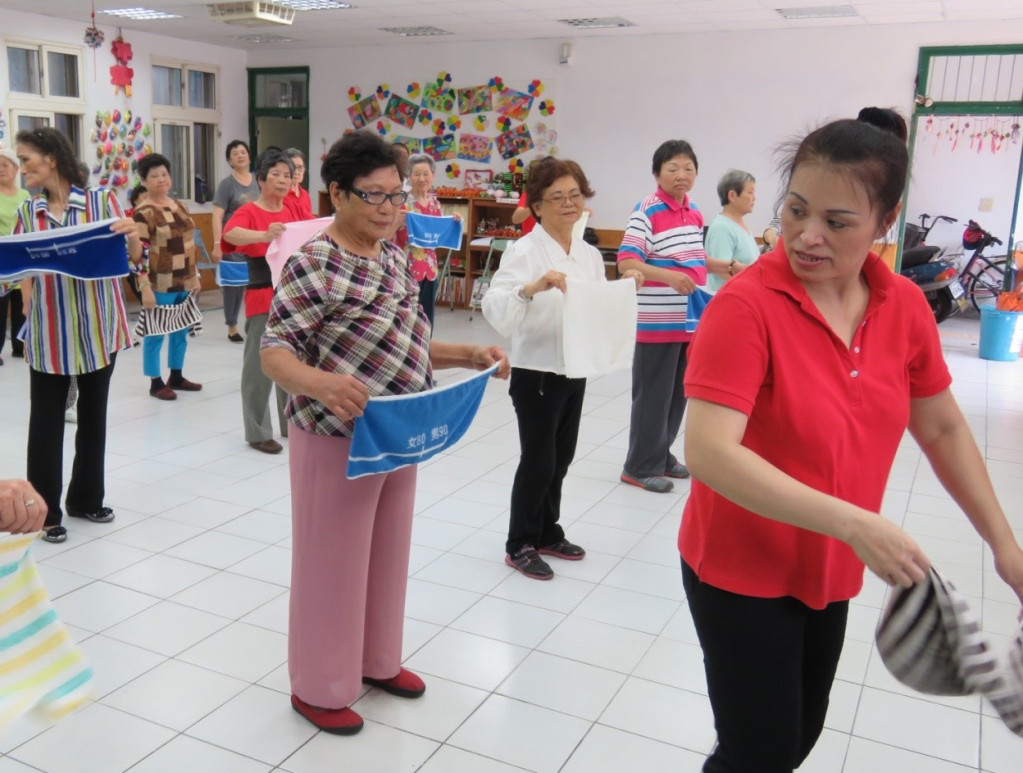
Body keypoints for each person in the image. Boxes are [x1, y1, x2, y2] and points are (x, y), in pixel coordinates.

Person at [679, 117, 1023, 773]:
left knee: (798, 736)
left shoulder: (902, 306)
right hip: (739, 565)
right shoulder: (747, 306)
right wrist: (854, 522)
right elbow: (709, 451)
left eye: (836, 222)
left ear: (885, 222)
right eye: (796, 209)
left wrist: (1004, 547)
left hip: (831, 562)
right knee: (760, 753)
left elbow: (942, 427)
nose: (807, 235)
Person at [260, 130, 509, 735]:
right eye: (373, 196)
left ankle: (375, 661)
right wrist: (319, 384)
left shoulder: (396, 257)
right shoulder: (313, 262)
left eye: (395, 196)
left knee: (387, 553)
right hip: (334, 435)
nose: (387, 208)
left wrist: (463, 354)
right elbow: (275, 352)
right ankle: (318, 684)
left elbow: (412, 341)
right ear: (337, 194)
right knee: (332, 561)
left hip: (398, 428)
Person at [483, 158, 643, 580]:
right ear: (537, 206)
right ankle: (519, 542)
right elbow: (494, 306)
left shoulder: (587, 253)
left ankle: (547, 530)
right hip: (537, 369)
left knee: (563, 457)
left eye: (575, 195)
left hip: (575, 367)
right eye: (557, 197)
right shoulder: (525, 251)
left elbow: (593, 304)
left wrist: (625, 289)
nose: (569, 203)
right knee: (539, 459)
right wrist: (531, 288)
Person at [13, 127, 140, 543]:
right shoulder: (27, 214)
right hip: (50, 331)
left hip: (99, 328)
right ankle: (44, 512)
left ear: (51, 159)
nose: (21, 168)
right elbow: (16, 269)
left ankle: (86, 498)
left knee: (93, 416)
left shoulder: (102, 202)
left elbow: (132, 258)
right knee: (45, 423)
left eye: (27, 159)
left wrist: (134, 236)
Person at [617, 140, 707, 493]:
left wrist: (728, 267)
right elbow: (627, 261)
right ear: (657, 174)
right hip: (656, 320)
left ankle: (661, 453)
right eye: (672, 168)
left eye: (688, 168)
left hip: (688, 321)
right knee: (653, 393)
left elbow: (693, 260)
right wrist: (670, 278)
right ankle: (638, 466)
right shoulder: (647, 210)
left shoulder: (695, 211)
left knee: (676, 393)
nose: (681, 175)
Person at [222, 149, 295, 454]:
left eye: (287, 175)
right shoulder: (250, 209)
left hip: (291, 295)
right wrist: (264, 235)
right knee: (258, 366)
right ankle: (257, 431)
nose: (282, 180)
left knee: (292, 361)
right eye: (275, 174)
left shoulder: (293, 208)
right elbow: (231, 234)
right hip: (263, 293)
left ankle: (290, 422)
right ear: (261, 179)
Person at [131, 153, 203, 400]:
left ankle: (177, 375)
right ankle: (155, 382)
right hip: (159, 282)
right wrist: (144, 287)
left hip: (184, 279)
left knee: (180, 330)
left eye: (164, 174)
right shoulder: (143, 212)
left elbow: (189, 243)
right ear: (144, 180)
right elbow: (137, 254)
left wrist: (195, 277)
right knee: (155, 332)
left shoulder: (178, 205)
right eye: (154, 176)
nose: (161, 179)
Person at [404, 153, 462, 331]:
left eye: (426, 174)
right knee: (408, 315)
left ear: (433, 176)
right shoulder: (403, 202)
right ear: (409, 177)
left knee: (427, 316)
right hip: (407, 264)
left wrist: (453, 222)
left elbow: (438, 234)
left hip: (430, 267)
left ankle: (426, 351)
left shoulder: (435, 203)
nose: (422, 179)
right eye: (416, 174)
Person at [212, 139, 259, 343]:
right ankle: (232, 325)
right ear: (230, 161)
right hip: (233, 244)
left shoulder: (259, 181)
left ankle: (254, 323)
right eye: (235, 153)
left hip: (256, 242)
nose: (240, 155)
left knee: (256, 284)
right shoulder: (226, 184)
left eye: (243, 151)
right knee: (234, 286)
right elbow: (216, 216)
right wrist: (216, 245)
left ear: (249, 156)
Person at [704, 169, 760, 294]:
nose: (754, 198)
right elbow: (722, 271)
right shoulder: (722, 228)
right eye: (750, 192)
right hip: (729, 299)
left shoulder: (740, 224)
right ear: (732, 196)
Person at [0, 147, 31, 364]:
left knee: (22, 304)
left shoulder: (26, 196)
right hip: (1, 260)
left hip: (21, 259)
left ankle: (20, 346)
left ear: (16, 169)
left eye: (5, 165)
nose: (1, 169)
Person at [283, 147, 314, 221]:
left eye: (300, 167)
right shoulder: (279, 195)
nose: (296, 172)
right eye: (292, 167)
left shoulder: (305, 194)